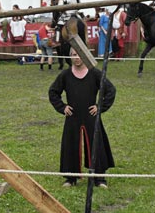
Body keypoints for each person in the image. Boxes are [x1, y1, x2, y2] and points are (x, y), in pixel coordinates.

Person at [48, 48, 116, 188]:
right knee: (71, 145)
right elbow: (53, 92)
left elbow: (110, 90)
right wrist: (62, 107)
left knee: (96, 144)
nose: (77, 58)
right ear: (70, 57)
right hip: (73, 117)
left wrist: (100, 107)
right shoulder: (65, 75)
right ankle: (70, 178)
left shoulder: (95, 74)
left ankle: (99, 178)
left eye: (79, 55)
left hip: (91, 116)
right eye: (73, 55)